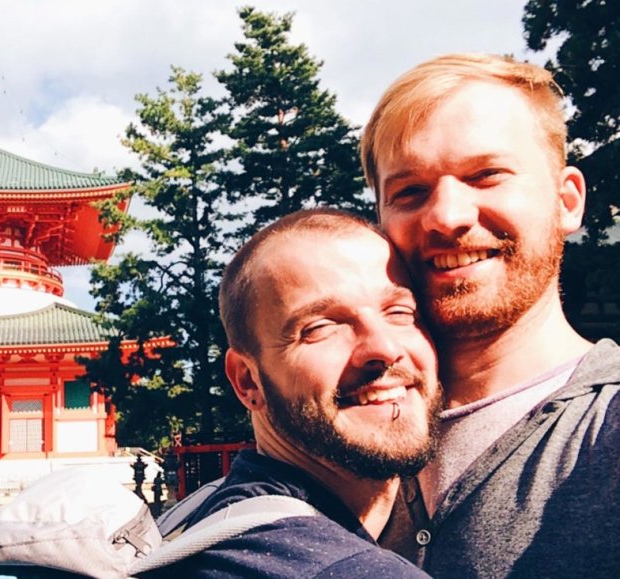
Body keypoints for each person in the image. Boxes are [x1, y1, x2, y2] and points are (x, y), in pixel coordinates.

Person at [361, 53, 620, 578]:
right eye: (410, 192)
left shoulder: (605, 428)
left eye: (486, 175)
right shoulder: (337, 439)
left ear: (567, 201)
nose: (446, 217)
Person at [144, 208, 442, 577]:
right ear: (247, 381)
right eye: (320, 327)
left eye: (399, 312)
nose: (383, 347)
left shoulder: (203, 517)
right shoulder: (346, 570)